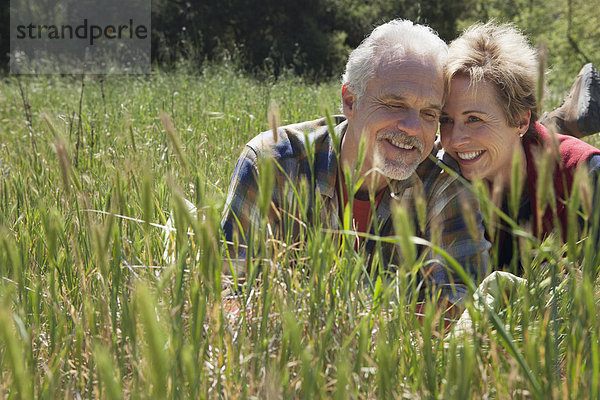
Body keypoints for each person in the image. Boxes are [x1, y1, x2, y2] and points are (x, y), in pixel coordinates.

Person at [221, 19, 490, 306]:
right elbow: (230, 289)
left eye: (428, 114)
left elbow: (463, 298)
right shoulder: (274, 164)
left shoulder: (443, 182)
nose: (412, 127)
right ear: (350, 102)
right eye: (395, 105)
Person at [439, 22, 600, 271]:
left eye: (474, 119)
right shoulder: (442, 175)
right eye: (445, 119)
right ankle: (563, 119)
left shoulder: (587, 177)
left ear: (522, 120)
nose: (454, 139)